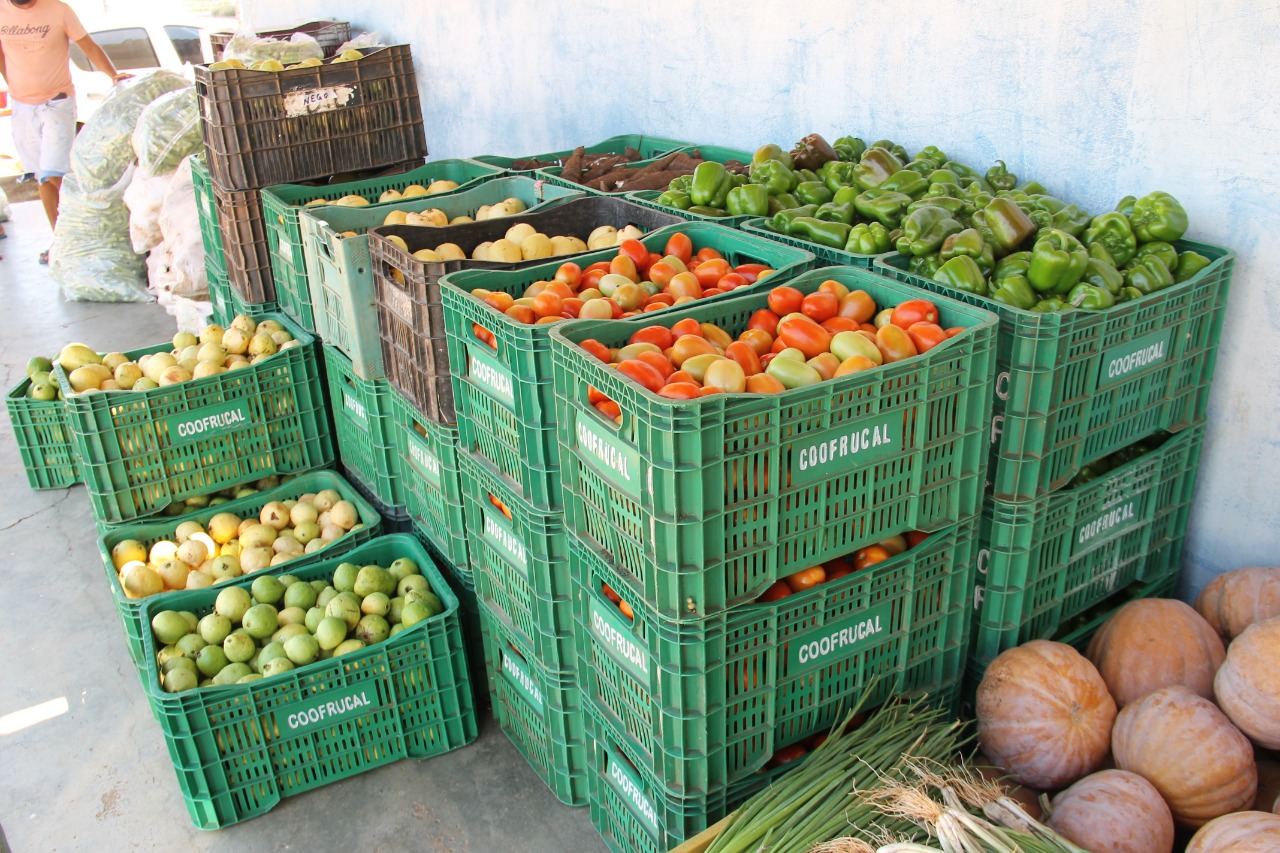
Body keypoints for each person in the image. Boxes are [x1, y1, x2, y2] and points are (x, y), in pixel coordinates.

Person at [0, 0, 130, 262]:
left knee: (53, 174)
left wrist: (113, 75)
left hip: (57, 103)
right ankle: (61, 239)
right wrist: (12, 81)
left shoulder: (59, 10)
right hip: (22, 106)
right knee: (41, 178)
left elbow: (88, 46)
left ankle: (75, 237)